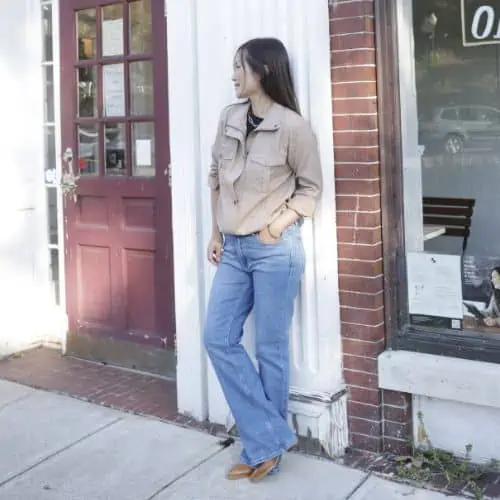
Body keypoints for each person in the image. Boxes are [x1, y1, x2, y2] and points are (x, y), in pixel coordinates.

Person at [203, 37, 323, 483]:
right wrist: (216, 232)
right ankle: (272, 437)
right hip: (233, 249)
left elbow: (311, 189)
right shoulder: (229, 117)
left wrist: (277, 225)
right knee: (218, 337)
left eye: (240, 67)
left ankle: (262, 449)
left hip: (275, 249)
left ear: (263, 71)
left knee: (271, 349)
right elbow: (215, 177)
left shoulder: (293, 127)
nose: (234, 75)